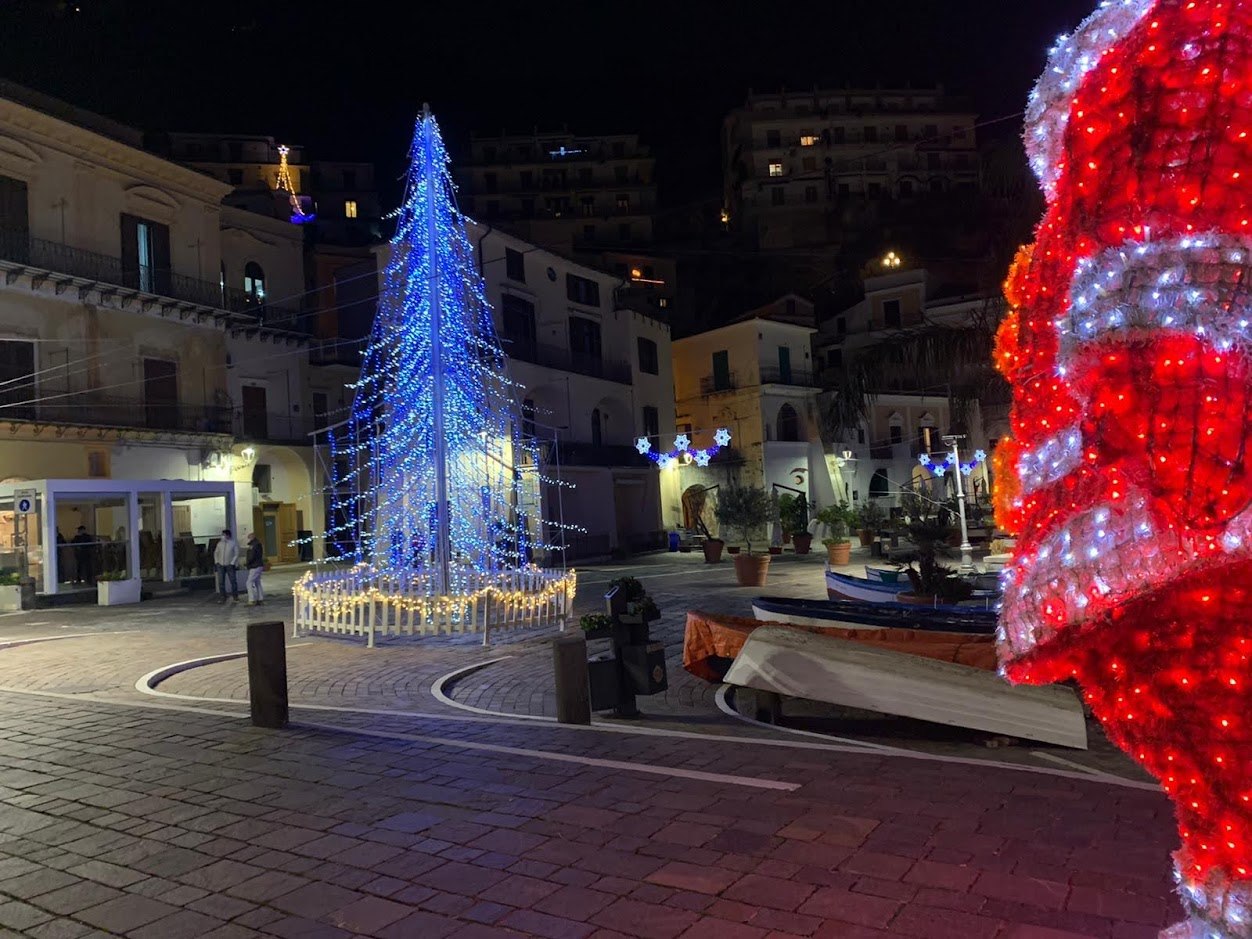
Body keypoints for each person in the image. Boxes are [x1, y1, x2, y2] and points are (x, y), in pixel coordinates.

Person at [213, 529, 240, 602]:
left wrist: (232, 562)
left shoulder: (233, 543)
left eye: (223, 535)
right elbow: (216, 553)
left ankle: (235, 596)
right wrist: (217, 562)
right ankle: (223, 597)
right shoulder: (219, 544)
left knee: (233, 581)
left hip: (230, 565)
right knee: (221, 582)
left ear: (228, 535)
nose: (222, 536)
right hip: (220, 565)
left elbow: (236, 554)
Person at [244, 532, 265, 606]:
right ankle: (260, 598)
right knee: (257, 582)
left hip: (254, 566)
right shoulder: (257, 544)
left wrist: (247, 563)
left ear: (252, 537)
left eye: (249, 537)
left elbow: (252, 556)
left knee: (249, 582)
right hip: (259, 565)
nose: (248, 539)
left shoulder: (254, 545)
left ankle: (251, 600)